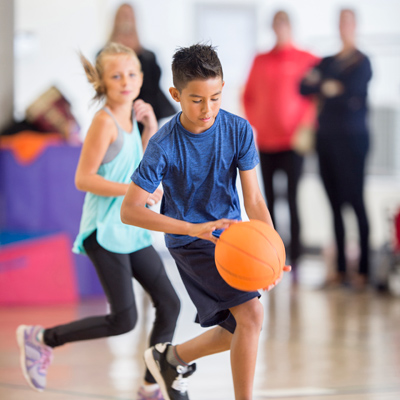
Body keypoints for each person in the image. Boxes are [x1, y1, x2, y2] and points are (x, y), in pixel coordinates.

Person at [120, 44, 291, 400]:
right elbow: (131, 209)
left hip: (231, 238)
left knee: (238, 327)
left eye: (215, 97)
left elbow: (255, 199)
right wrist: (192, 229)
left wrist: (273, 247)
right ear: (176, 95)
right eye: (196, 99)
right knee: (253, 316)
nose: (207, 109)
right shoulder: (163, 144)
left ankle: (170, 360)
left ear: (224, 88)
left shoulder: (239, 131)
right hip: (189, 241)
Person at [16, 43, 181, 400]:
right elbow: (84, 179)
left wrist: (151, 126)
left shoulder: (133, 120)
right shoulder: (104, 122)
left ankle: (150, 387)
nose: (126, 81)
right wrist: (131, 191)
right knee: (124, 319)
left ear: (141, 77)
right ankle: (41, 338)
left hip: (131, 230)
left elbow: (142, 167)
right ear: (102, 83)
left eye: (132, 74)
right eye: (116, 76)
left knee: (170, 303)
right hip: (103, 232)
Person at [242, 11, 319, 282]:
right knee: (268, 202)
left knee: (293, 199)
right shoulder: (260, 60)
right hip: (266, 142)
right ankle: (272, 256)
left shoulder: (306, 59)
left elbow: (315, 98)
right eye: (276, 25)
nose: (280, 29)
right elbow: (247, 96)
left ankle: (295, 258)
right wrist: (258, 123)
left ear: (290, 27)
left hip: (293, 143)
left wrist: (306, 125)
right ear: (272, 28)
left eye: (284, 24)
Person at [300, 9, 372, 290]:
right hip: (326, 139)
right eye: (340, 21)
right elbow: (304, 86)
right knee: (333, 205)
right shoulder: (328, 61)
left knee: (355, 202)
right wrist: (329, 87)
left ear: (355, 25)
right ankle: (340, 270)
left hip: (353, 141)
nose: (344, 27)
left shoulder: (362, 62)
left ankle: (363, 272)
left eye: (348, 22)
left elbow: (353, 93)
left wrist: (329, 87)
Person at [108, 3, 176, 125]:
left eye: (129, 16)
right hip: (117, 115)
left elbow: (153, 88)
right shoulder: (104, 56)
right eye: (122, 16)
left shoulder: (149, 57)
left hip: (144, 115)